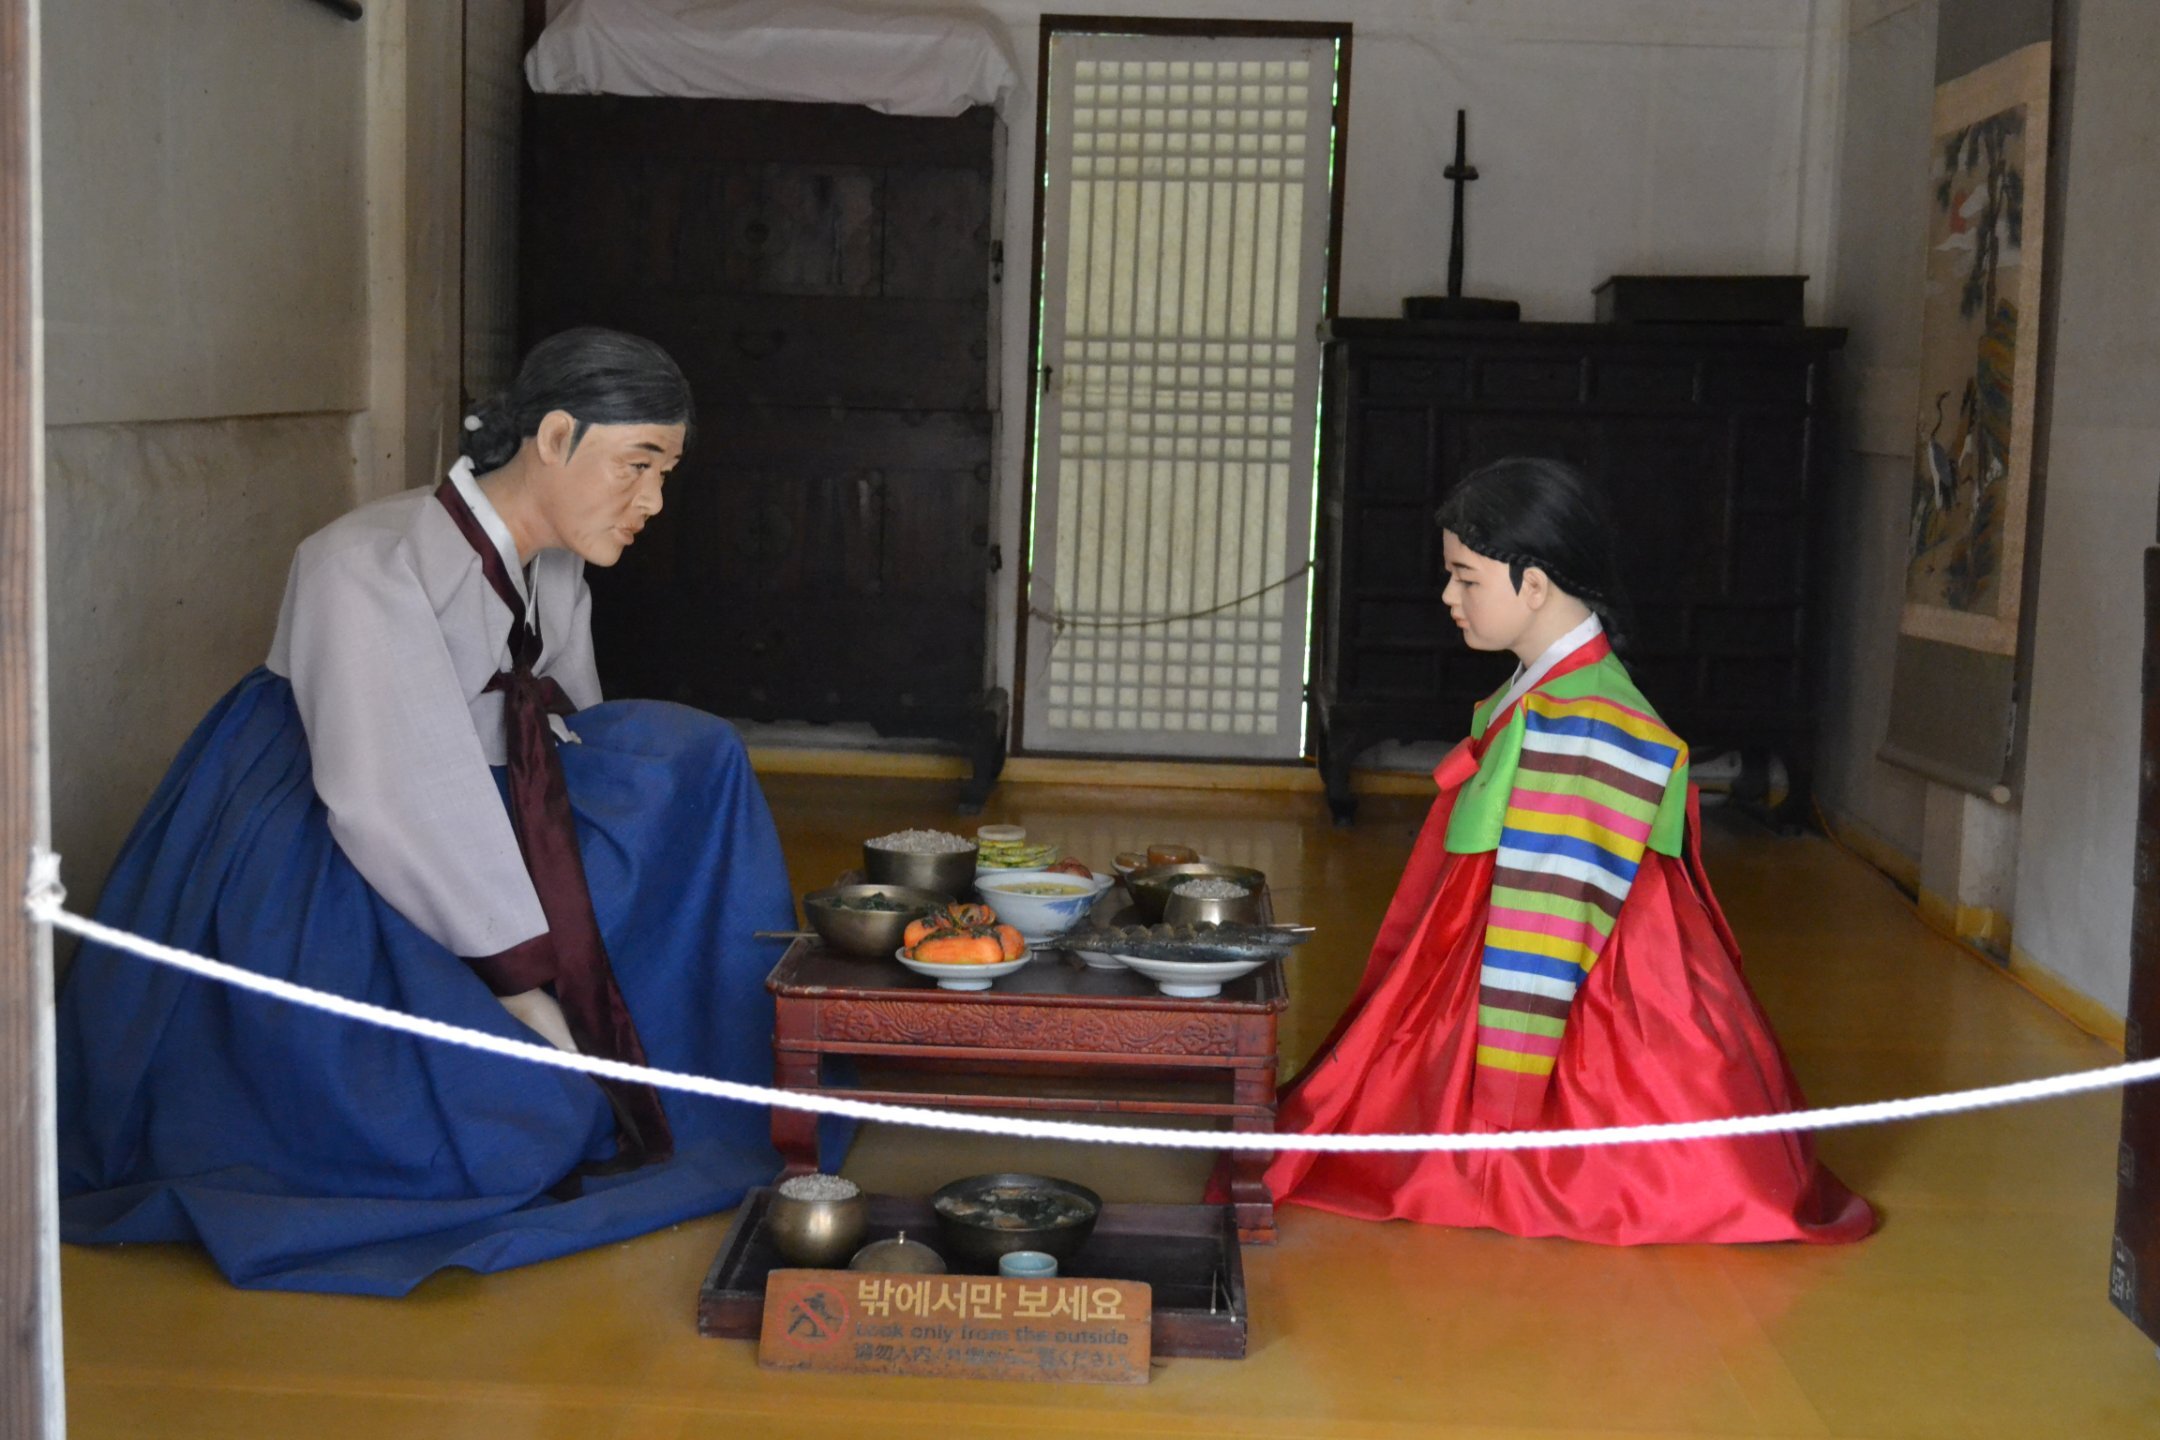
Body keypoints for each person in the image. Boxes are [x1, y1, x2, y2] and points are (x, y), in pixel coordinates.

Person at [56, 327, 831, 1294]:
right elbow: (389, 796)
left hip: (474, 792)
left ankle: (698, 1046)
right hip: (329, 844)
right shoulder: (363, 560)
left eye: (664, 473)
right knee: (515, 1130)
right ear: (555, 437)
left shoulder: (552, 560)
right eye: (637, 466)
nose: (653, 501)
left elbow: (568, 722)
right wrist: (524, 985)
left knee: (694, 758)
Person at [1267, 456, 1873, 1245]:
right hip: (1510, 919)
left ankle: (1511, 1153)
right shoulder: (1554, 689)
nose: (1448, 596)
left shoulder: (1583, 718)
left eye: (1465, 577)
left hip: (1571, 950)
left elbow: (1552, 922)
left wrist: (1504, 1095)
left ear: (1536, 584)